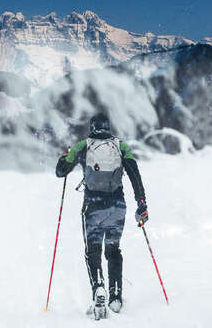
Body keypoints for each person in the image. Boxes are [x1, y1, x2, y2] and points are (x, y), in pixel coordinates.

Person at [55, 113, 148, 319]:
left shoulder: (83, 146)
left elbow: (61, 171)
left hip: (93, 208)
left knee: (93, 249)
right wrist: (141, 204)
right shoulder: (120, 146)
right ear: (108, 127)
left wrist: (65, 157)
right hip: (117, 207)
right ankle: (115, 297)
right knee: (113, 250)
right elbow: (134, 173)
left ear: (92, 127)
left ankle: (98, 287)